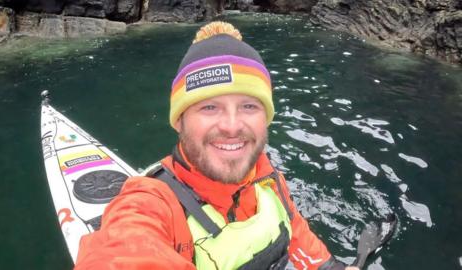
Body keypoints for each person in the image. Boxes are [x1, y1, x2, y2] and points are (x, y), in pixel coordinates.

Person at [74, 21, 359, 270]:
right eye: (210, 107)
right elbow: (123, 253)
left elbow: (297, 233)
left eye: (249, 106)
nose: (232, 126)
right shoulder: (150, 204)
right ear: (179, 121)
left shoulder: (269, 178)